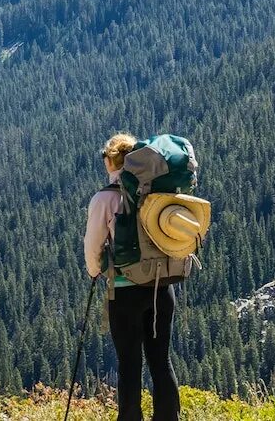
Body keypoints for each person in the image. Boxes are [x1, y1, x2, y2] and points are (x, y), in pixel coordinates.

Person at [84, 133, 181, 421]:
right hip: (162, 287)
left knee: (129, 363)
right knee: (161, 359)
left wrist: (96, 272)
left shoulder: (105, 198)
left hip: (125, 291)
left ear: (110, 162)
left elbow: (93, 247)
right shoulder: (156, 192)